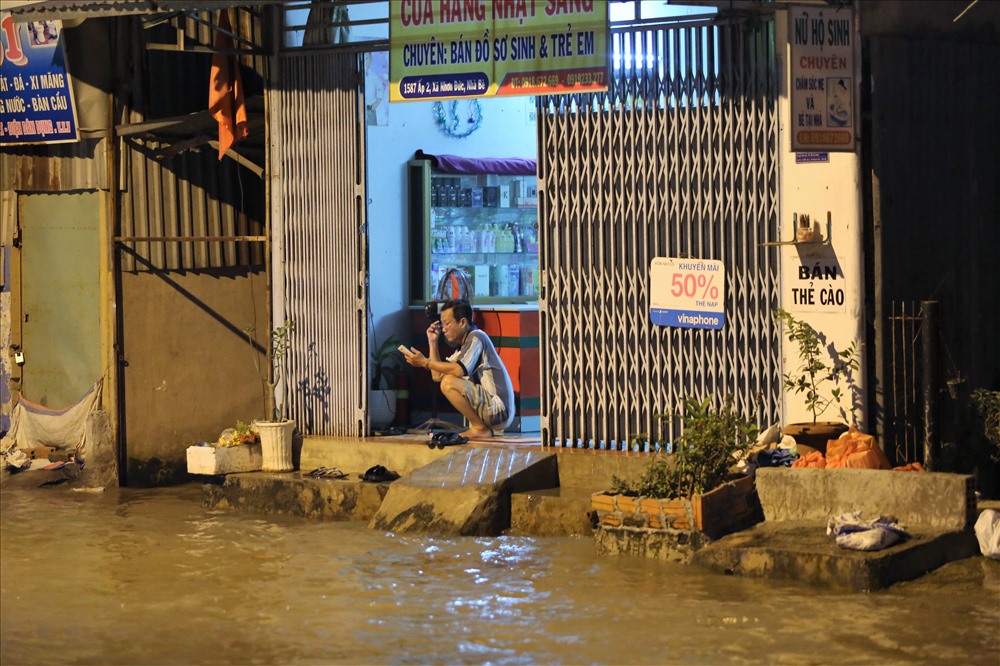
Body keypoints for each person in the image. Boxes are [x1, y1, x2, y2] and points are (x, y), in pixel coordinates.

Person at [401, 299, 514, 439]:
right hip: (491, 410)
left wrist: (425, 362)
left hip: (499, 410)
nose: (443, 329)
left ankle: (479, 428)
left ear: (462, 322)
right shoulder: (464, 346)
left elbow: (459, 370)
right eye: (442, 324)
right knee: (446, 380)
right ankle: (480, 427)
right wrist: (433, 342)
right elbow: (437, 376)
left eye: (447, 324)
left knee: (449, 382)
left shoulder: (477, 337)